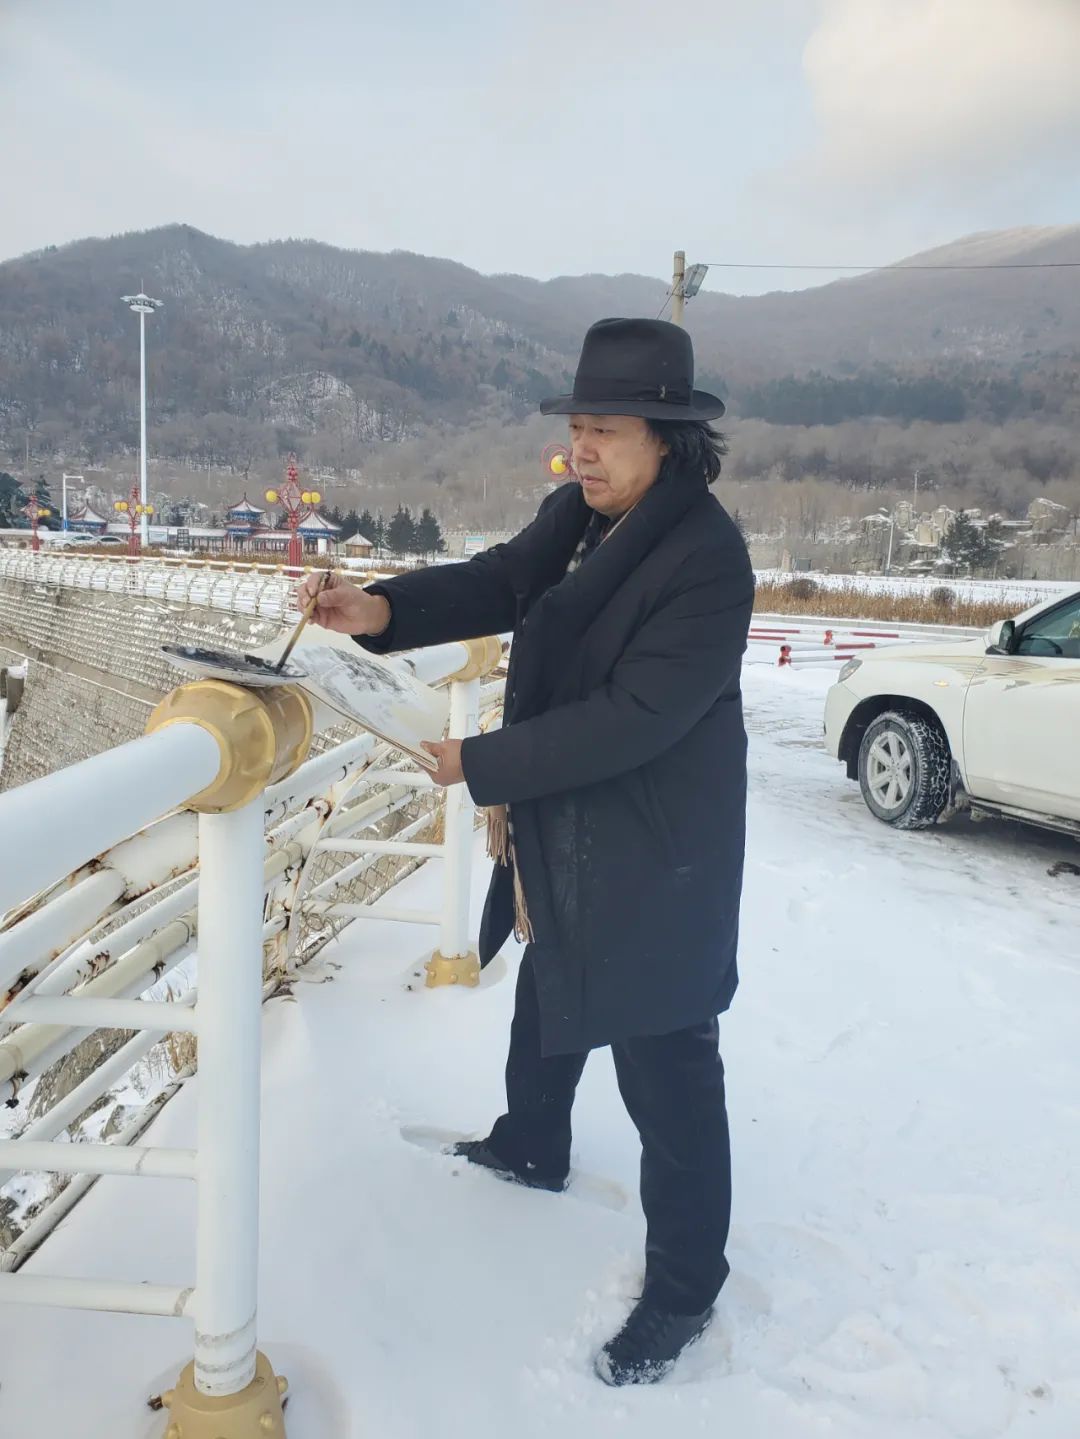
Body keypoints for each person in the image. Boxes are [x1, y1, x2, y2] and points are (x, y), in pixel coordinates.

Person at [298, 317, 754, 1386]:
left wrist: (484, 760)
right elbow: (502, 580)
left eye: (602, 431)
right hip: (569, 820)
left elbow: (637, 716)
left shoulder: (706, 559)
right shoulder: (582, 516)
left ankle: (687, 1280)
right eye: (575, 429)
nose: (578, 451)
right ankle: (532, 1142)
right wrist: (382, 607)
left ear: (669, 438)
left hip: (654, 844)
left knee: (667, 1059)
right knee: (547, 976)